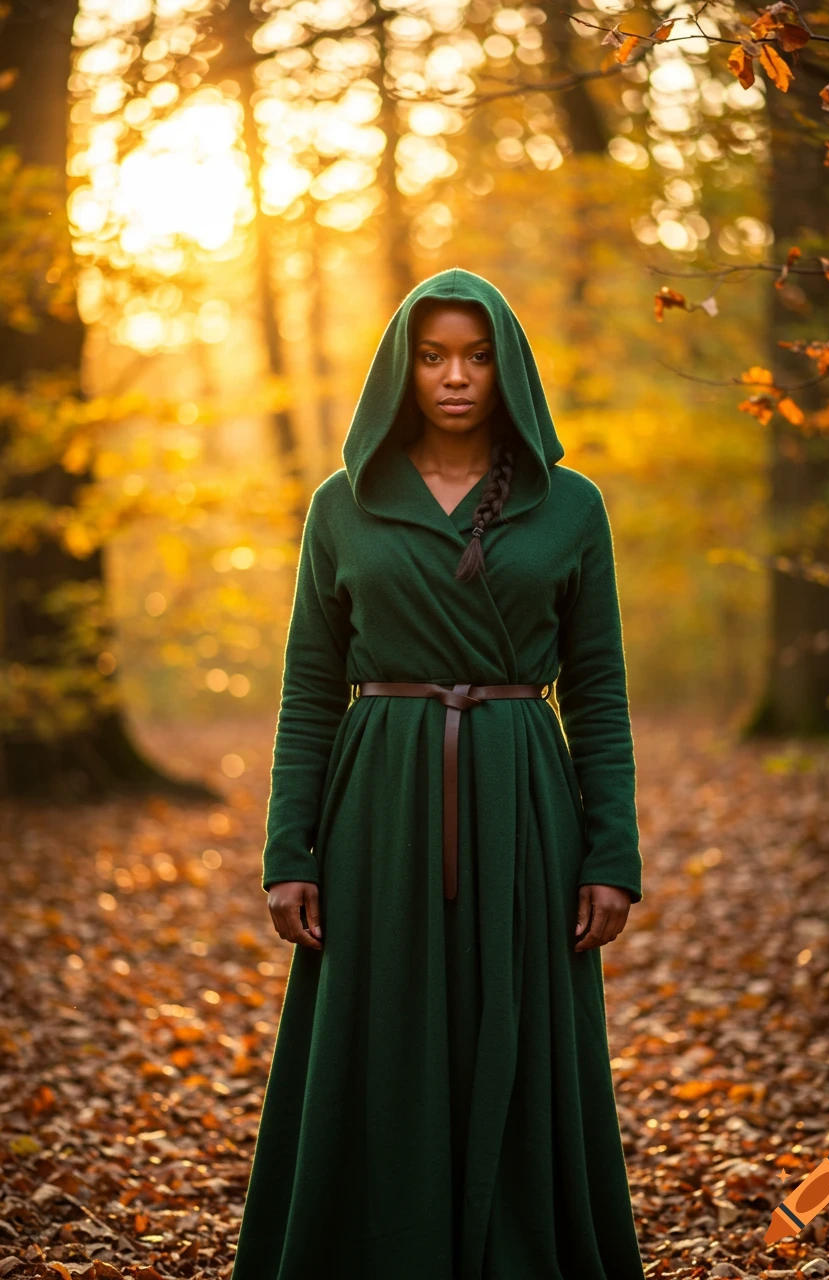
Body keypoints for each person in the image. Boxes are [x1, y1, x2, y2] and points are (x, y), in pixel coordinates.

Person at [230, 268, 646, 1280]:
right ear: (401, 368)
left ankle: (518, 1249)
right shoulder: (345, 504)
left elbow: (595, 689)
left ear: (505, 367)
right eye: (431, 356)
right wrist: (290, 848)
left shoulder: (569, 505)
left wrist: (610, 850)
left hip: (519, 797)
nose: (454, 376)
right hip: (378, 799)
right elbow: (306, 691)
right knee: (380, 1032)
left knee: (517, 1024)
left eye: (473, 355)